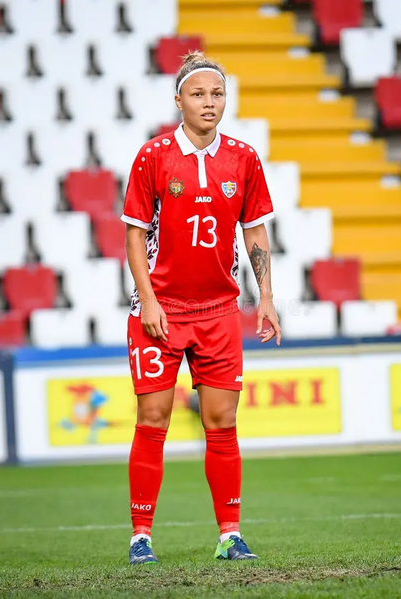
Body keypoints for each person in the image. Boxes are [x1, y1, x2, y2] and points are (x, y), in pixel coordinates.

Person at [121, 51, 281, 565]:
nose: (209, 103)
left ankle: (230, 535)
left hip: (217, 310)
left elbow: (254, 230)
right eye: (198, 94)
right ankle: (140, 536)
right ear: (178, 101)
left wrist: (267, 299)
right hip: (161, 310)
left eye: (217, 94)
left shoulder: (244, 158)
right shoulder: (153, 156)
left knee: (221, 421)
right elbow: (134, 233)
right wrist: (146, 299)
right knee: (153, 417)